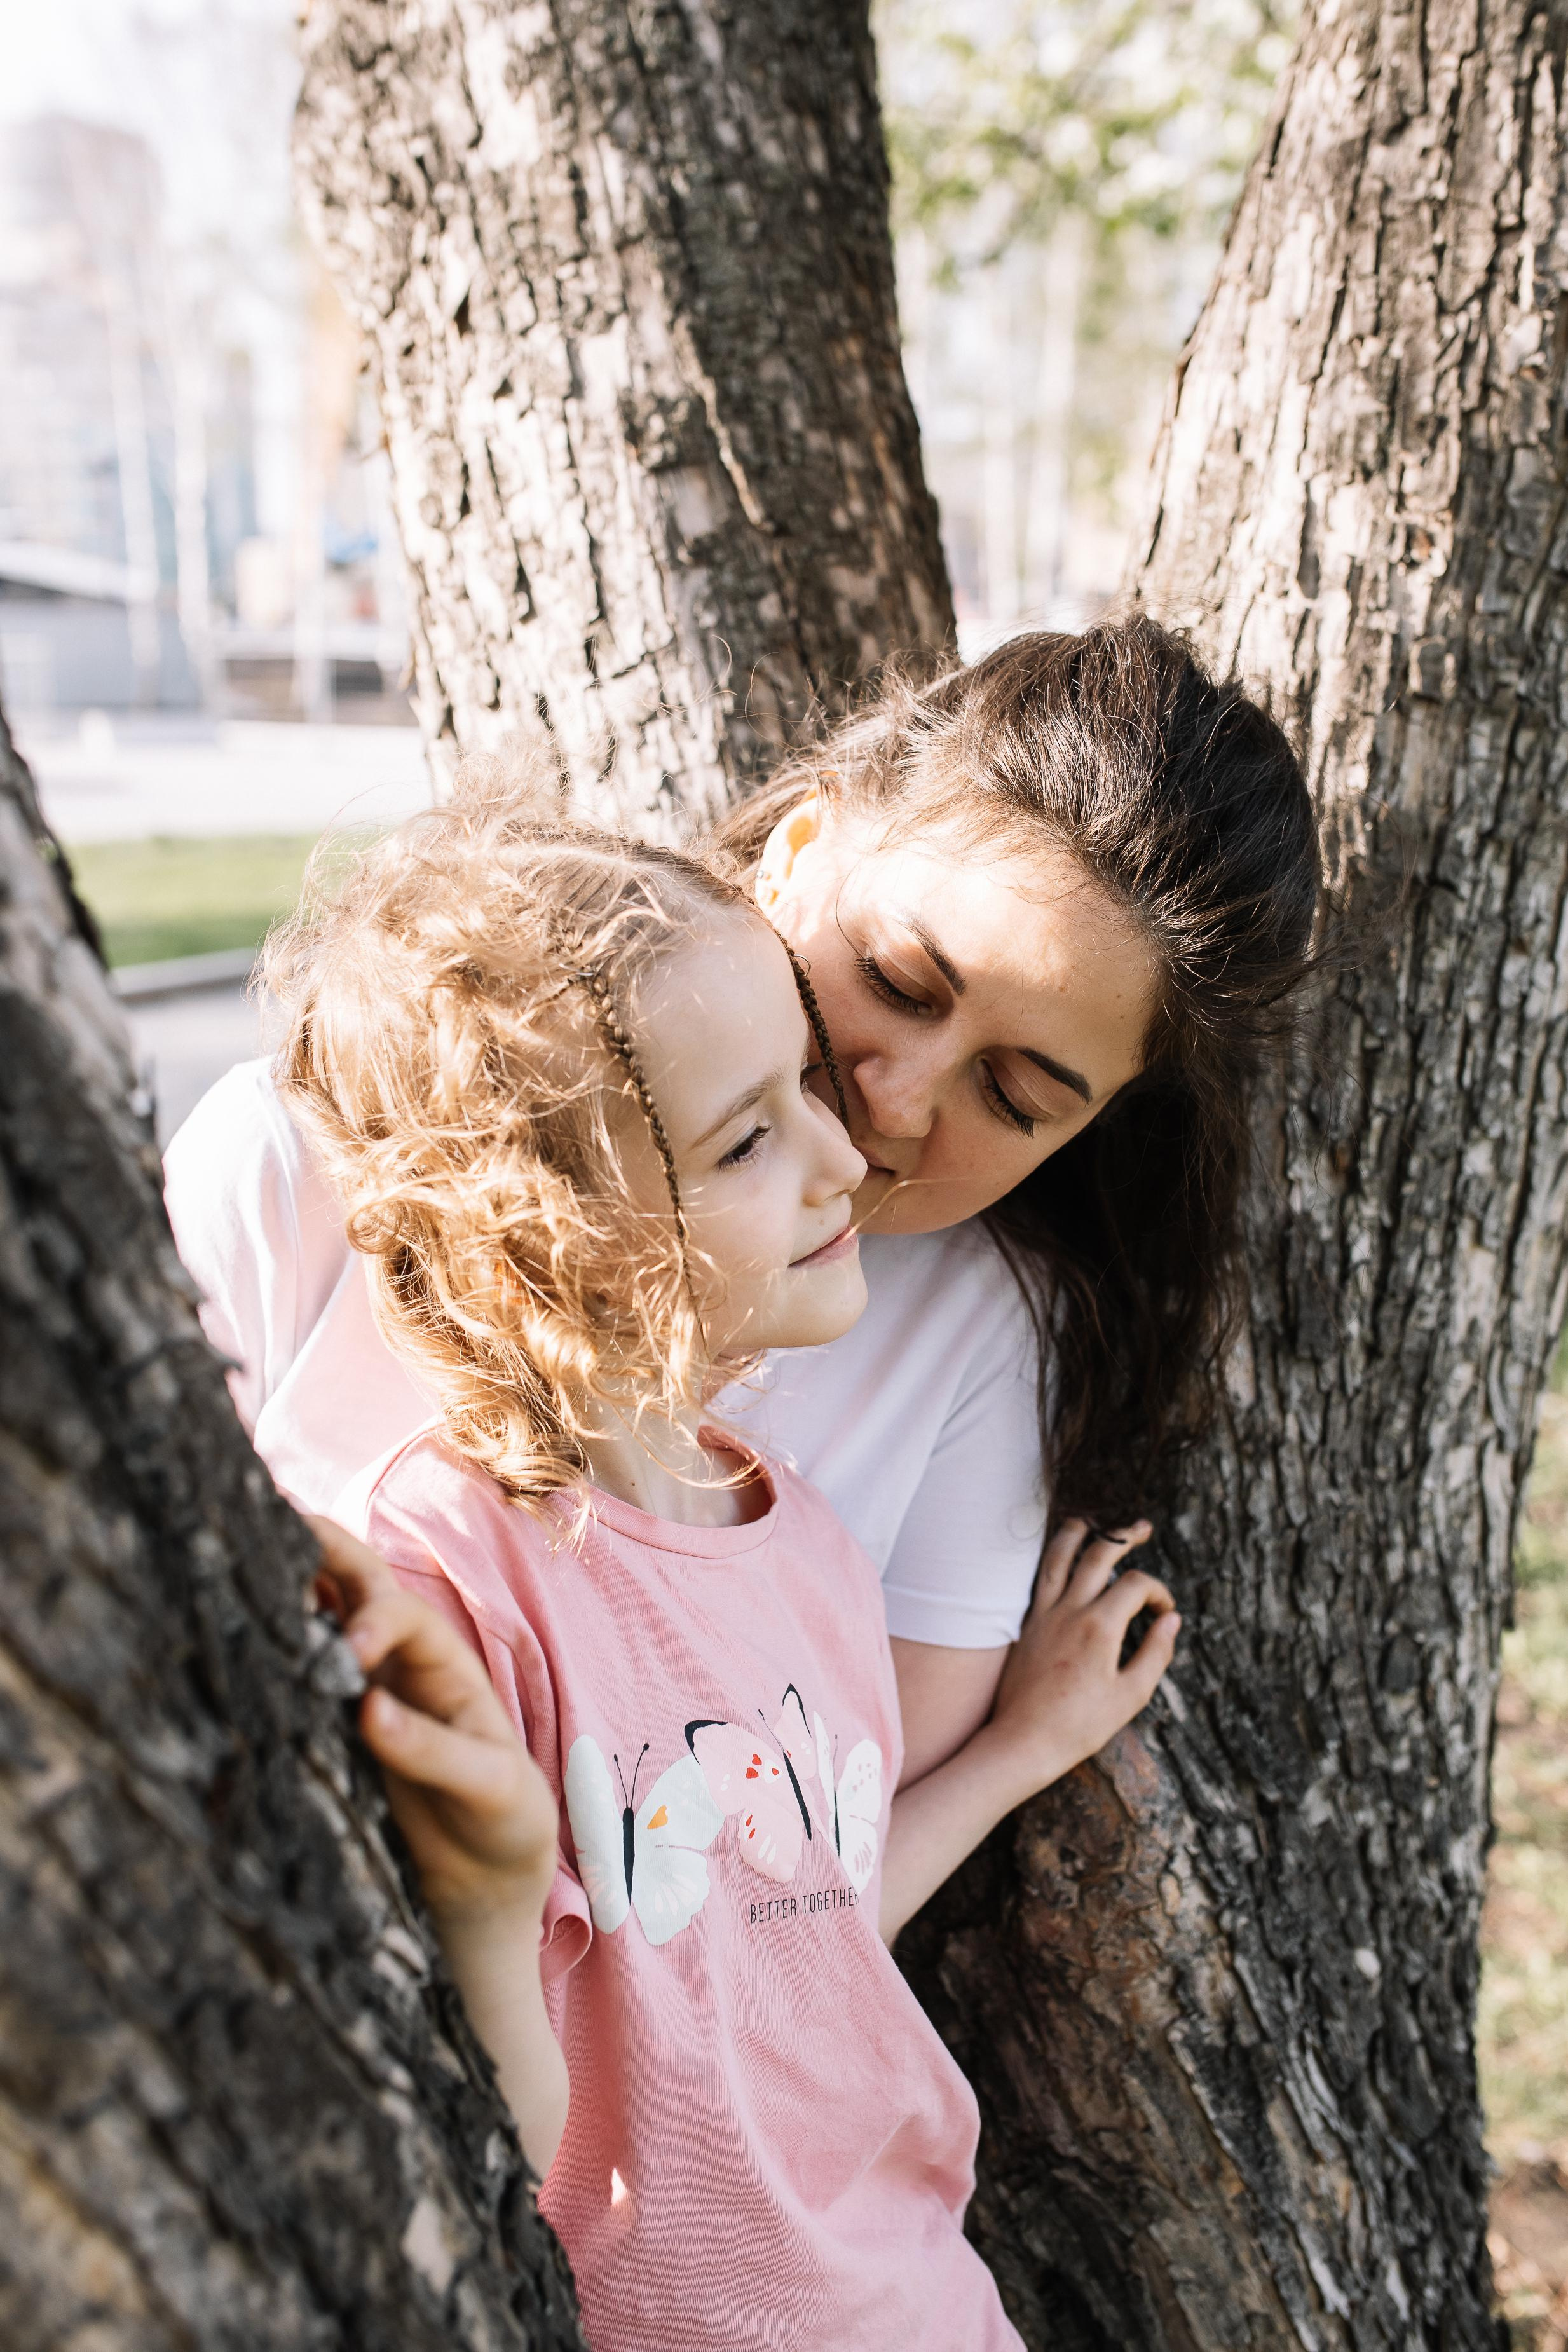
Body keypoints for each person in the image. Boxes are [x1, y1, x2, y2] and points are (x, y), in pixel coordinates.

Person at [276, 795, 1178, 2351]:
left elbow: (788, 1934)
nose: (850, 1151)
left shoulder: (800, 1539)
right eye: (752, 1131)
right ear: (550, 1232)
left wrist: (1025, 1746)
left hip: (917, 2298)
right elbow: (477, 2105)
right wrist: (497, 1900)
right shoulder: (449, 1572)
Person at [163, 616, 1321, 1788]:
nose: (894, 1103)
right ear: (798, 848)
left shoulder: (972, 1338)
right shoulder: (295, 1159)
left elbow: (812, 1899)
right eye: (896, 980)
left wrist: (1021, 1750)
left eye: (1014, 1095)